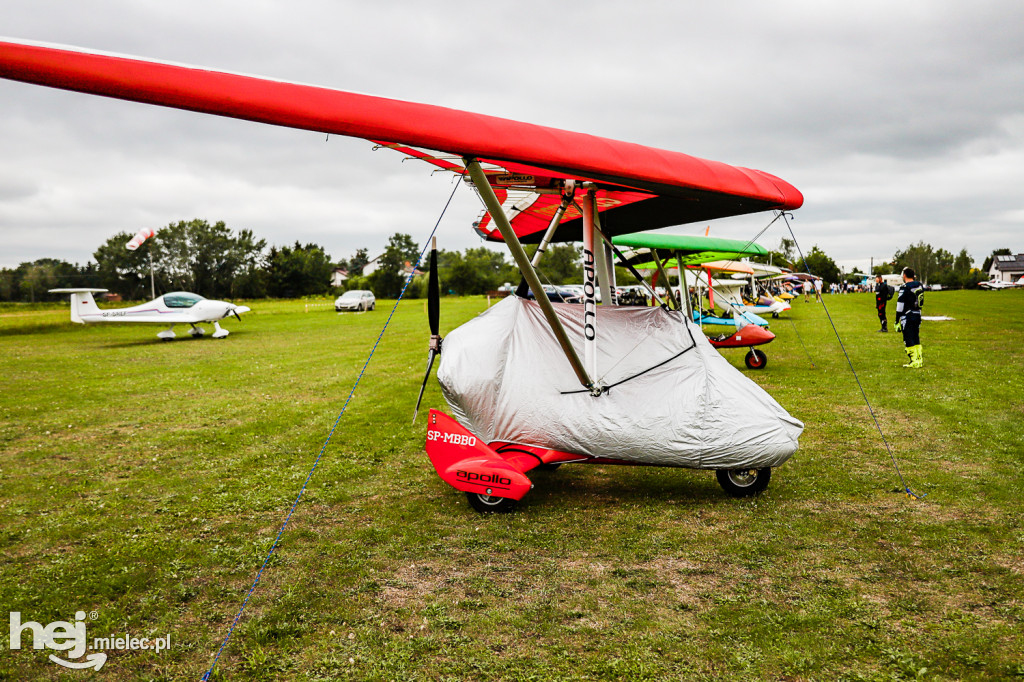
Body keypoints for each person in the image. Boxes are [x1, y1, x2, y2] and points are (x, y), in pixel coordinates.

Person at [895, 267, 924, 368]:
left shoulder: (904, 287)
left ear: (904, 275)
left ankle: (913, 360)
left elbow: (900, 305)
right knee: (916, 336)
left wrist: (896, 320)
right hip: (917, 314)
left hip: (907, 315)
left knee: (908, 337)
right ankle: (919, 359)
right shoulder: (919, 285)